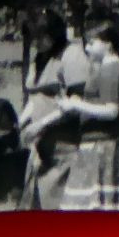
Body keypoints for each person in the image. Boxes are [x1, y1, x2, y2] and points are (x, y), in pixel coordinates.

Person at [57, 19, 119, 210]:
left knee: (94, 208)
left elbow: (111, 110)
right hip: (103, 144)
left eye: (92, 43)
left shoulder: (111, 69)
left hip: (104, 147)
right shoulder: (114, 67)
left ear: (108, 44)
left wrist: (76, 105)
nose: (87, 48)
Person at [17, 11, 85, 211]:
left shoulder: (72, 55)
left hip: (65, 147)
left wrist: (41, 124)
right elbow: (36, 99)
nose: (35, 42)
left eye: (40, 37)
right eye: (33, 38)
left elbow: (76, 102)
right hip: (40, 147)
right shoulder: (41, 58)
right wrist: (20, 123)